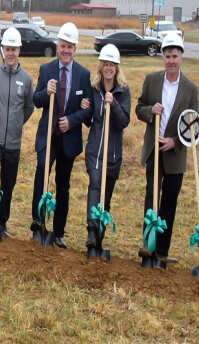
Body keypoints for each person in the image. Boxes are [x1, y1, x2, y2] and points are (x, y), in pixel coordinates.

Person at [135, 34, 198, 263]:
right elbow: (139, 108)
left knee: (169, 201)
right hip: (154, 150)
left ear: (181, 58)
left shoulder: (191, 89)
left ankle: (161, 252)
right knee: (151, 199)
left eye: (174, 56)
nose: (171, 60)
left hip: (175, 154)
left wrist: (175, 141)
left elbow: (194, 125)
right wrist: (150, 111)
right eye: (167, 56)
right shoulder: (152, 80)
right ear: (163, 57)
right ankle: (148, 247)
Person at [30, 22, 92, 248]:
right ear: (58, 46)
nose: (66, 50)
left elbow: (89, 109)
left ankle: (58, 232)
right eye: (63, 46)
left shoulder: (83, 75)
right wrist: (46, 92)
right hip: (48, 136)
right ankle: (38, 223)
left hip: (69, 139)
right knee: (41, 175)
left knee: (63, 184)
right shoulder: (46, 69)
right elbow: (36, 100)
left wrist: (72, 121)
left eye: (70, 47)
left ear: (75, 49)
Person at [0, 27, 34, 237]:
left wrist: (17, 124)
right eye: (7, 49)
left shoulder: (26, 79)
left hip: (13, 140)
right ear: (3, 50)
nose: (10, 53)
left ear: (19, 50)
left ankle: (1, 221)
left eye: (14, 49)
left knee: (8, 183)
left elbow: (29, 107)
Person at [81, 44, 130, 248]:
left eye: (112, 65)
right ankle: (91, 231)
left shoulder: (123, 91)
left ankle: (100, 234)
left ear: (117, 68)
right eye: (106, 64)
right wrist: (84, 108)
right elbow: (88, 120)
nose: (109, 68)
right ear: (101, 67)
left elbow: (124, 122)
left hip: (113, 154)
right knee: (95, 185)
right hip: (95, 151)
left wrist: (114, 104)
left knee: (106, 196)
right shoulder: (94, 89)